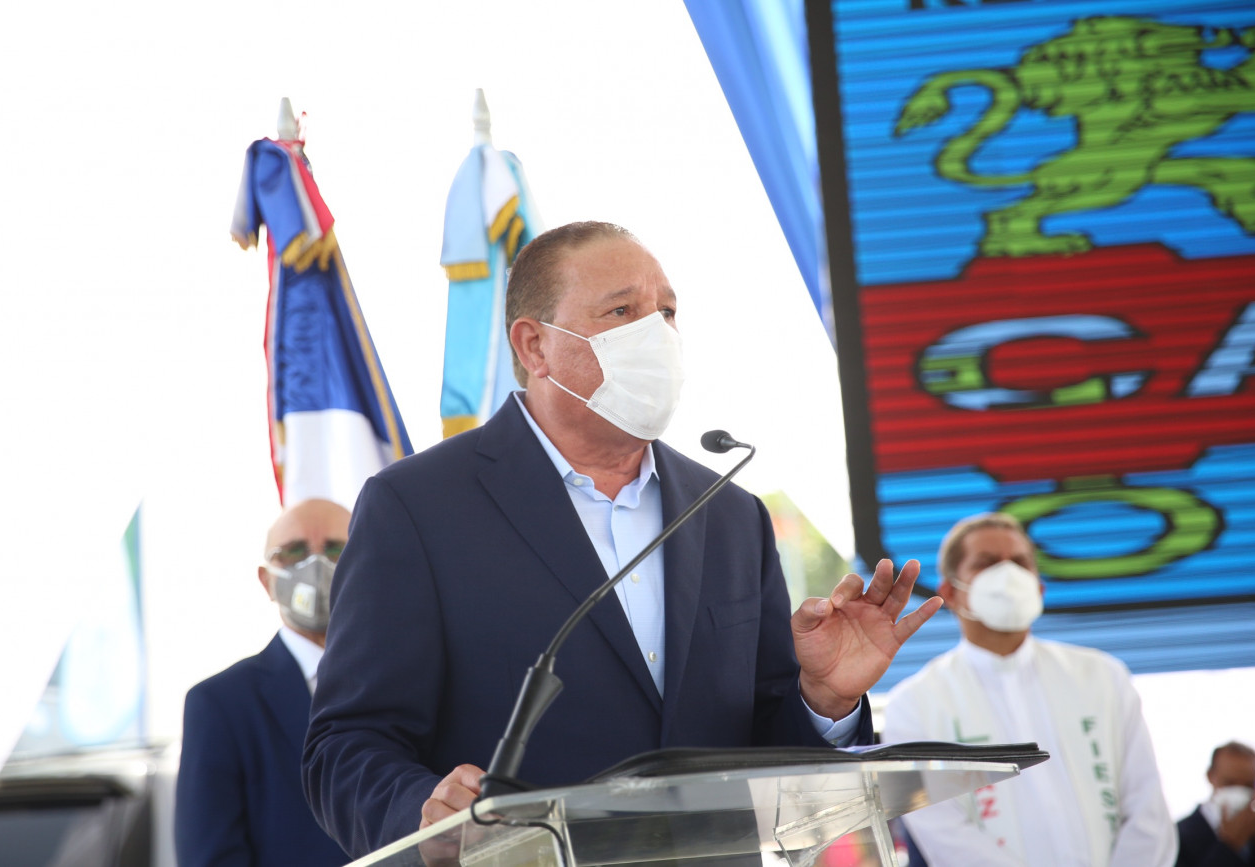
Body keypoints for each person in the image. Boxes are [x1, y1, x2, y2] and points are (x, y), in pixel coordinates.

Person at [302, 221, 943, 858]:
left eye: (667, 312)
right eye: (622, 312)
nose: (657, 334)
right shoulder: (418, 506)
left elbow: (765, 751)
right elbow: (347, 747)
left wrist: (824, 698)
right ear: (534, 346)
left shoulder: (730, 515)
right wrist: (425, 815)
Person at [883, 512, 1176, 867]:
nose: (1008, 575)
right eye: (987, 563)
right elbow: (943, 834)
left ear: (1038, 588)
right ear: (950, 592)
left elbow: (1147, 809)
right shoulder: (914, 705)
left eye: (1020, 563)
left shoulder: (1101, 676)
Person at [175, 498, 351, 867]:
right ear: (266, 580)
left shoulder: (415, 681)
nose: (315, 567)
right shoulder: (221, 704)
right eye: (293, 552)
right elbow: (211, 857)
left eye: (336, 550)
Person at [1176, 741, 1255, 866]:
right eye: (1230, 783)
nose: (1239, 792)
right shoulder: (1178, 836)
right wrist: (1228, 847)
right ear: (1210, 776)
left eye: (1248, 785)